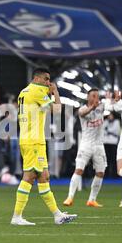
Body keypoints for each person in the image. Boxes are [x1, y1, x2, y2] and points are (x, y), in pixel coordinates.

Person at [11, 67, 77, 225]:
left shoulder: (24, 92)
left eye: (49, 80)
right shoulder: (36, 91)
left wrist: (48, 93)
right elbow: (57, 110)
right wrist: (55, 92)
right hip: (33, 141)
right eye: (46, 79)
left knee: (44, 177)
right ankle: (17, 217)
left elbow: (42, 108)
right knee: (29, 177)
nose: (49, 82)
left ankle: (57, 215)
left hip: (32, 140)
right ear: (37, 79)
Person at [63, 88, 107, 208]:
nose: (95, 98)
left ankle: (92, 200)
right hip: (86, 144)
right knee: (79, 170)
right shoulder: (83, 109)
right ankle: (70, 197)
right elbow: (81, 114)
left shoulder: (102, 107)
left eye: (97, 96)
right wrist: (92, 108)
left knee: (100, 172)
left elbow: (111, 105)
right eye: (93, 96)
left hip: (99, 145)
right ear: (88, 97)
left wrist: (114, 100)